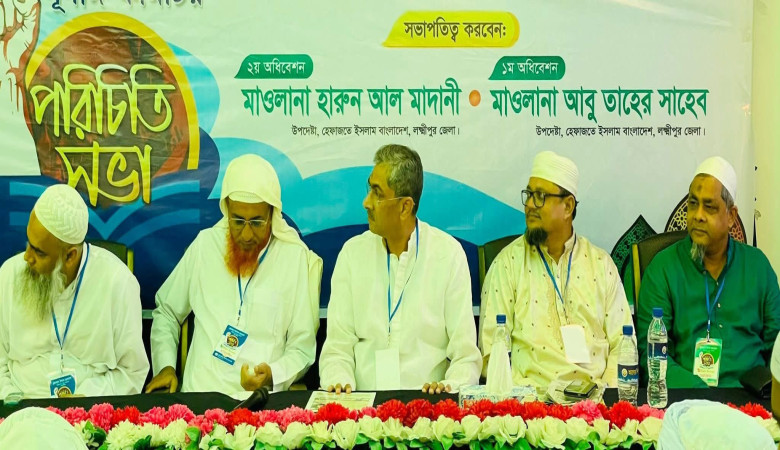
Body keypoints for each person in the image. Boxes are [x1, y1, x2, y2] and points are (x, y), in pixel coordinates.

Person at [147, 154, 320, 398]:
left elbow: (301, 348)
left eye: (257, 222)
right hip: (199, 399)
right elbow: (167, 311)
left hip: (260, 403)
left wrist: (273, 375)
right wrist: (165, 366)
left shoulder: (293, 259)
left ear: (272, 214)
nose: (246, 235)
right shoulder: (205, 246)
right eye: (238, 221)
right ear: (226, 210)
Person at [319, 144, 482, 394]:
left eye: (377, 193)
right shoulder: (352, 254)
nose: (366, 203)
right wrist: (340, 384)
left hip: (425, 406)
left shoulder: (448, 255)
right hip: (362, 405)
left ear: (405, 207)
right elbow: (337, 349)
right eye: (369, 190)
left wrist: (447, 387)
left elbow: (466, 357)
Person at [480, 151, 632, 388]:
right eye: (529, 195)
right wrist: (523, 399)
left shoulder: (601, 265)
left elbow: (624, 344)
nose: (530, 205)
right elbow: (491, 354)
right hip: (530, 402)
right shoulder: (507, 264)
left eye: (540, 196)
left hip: (596, 401)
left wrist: (607, 397)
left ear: (568, 206)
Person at [638, 156, 780, 388]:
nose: (698, 215)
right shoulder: (663, 268)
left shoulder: (758, 267)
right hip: (686, 400)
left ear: (731, 216)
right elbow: (652, 357)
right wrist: (704, 396)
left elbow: (777, 347)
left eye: (710, 207)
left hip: (750, 399)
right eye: (693, 204)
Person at [0, 184, 148, 398]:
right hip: (20, 404)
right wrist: (16, 403)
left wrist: (88, 400)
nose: (27, 257)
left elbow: (131, 371)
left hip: (91, 409)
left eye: (39, 252)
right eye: (29, 244)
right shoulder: (8, 276)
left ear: (70, 256)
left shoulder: (117, 283)